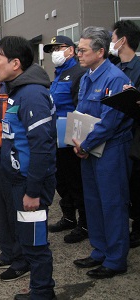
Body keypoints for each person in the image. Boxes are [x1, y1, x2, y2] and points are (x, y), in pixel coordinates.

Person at [0, 36, 57, 300]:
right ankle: (38, 287)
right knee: (28, 238)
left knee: (35, 242)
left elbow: (42, 147)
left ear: (16, 63)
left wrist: (32, 191)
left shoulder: (32, 94)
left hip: (29, 184)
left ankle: (43, 293)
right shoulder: (18, 90)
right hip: (19, 181)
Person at [72, 26, 132, 279]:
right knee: (94, 202)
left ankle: (116, 259)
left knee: (112, 204)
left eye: (83, 50)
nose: (78, 54)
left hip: (111, 150)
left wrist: (84, 144)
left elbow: (110, 121)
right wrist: (78, 143)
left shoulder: (115, 78)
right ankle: (100, 250)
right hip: (89, 149)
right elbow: (81, 113)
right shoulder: (87, 76)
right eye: (78, 50)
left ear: (100, 51)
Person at [0, 38, 29, 283]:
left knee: (15, 208)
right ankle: (7, 251)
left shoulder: (17, 89)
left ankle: (22, 258)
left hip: (12, 156)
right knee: (0, 206)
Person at [43, 36, 88, 243]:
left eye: (59, 48)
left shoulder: (78, 73)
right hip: (56, 138)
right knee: (62, 181)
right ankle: (68, 216)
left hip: (72, 138)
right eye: (53, 49)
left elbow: (80, 107)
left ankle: (84, 223)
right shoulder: (58, 75)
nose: (56, 52)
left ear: (71, 50)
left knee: (76, 181)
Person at [110, 20, 140, 248]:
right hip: (118, 136)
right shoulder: (116, 69)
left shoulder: (138, 68)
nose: (111, 43)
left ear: (123, 40)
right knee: (125, 188)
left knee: (137, 186)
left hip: (136, 137)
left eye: (113, 38)